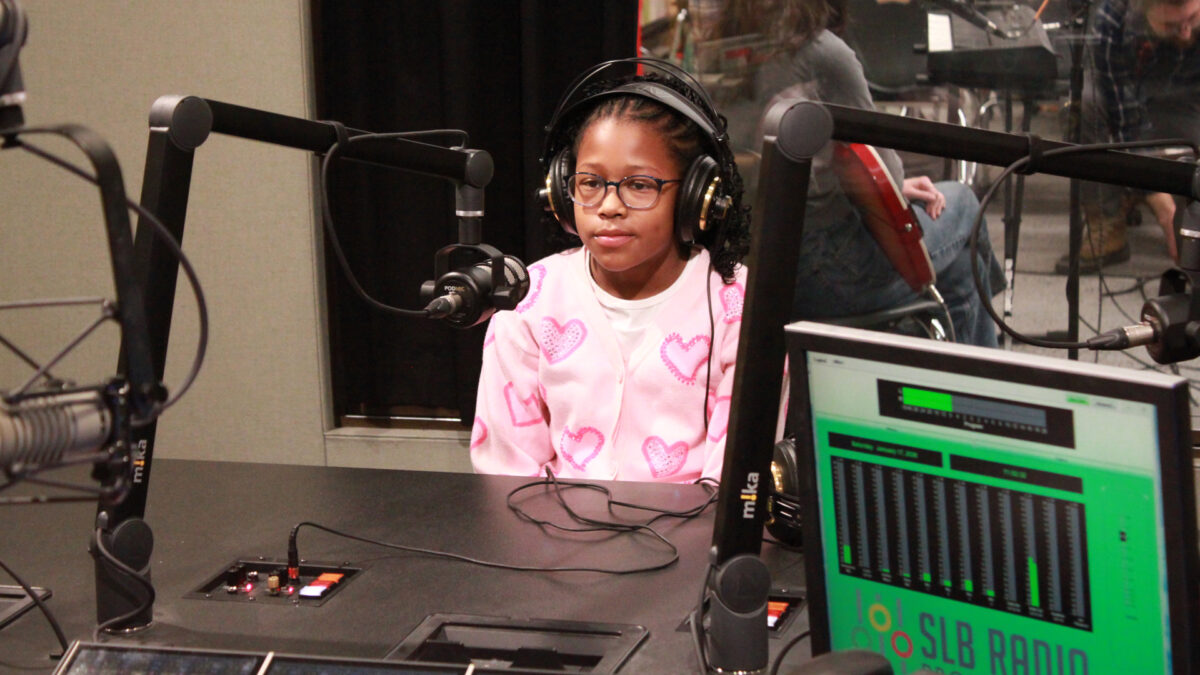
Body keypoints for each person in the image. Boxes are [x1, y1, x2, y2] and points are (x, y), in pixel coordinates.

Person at [470, 61, 752, 482]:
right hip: (550, 524)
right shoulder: (527, 298)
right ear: (561, 191)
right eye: (590, 183)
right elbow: (505, 472)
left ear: (697, 197)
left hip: (695, 524)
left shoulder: (738, 306)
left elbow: (737, 482)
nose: (609, 206)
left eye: (640, 185)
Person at [696, 0, 1005, 347]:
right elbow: (886, 173)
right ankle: (994, 347)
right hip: (826, 272)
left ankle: (983, 361)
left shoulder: (723, 50)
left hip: (748, 262)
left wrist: (896, 185)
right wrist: (896, 184)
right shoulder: (823, 54)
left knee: (962, 270)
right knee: (964, 201)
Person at [1057, 0, 1200, 273]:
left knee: (1190, 229)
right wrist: (1159, 201)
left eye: (1192, 18)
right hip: (1129, 92)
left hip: (1187, 99)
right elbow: (1125, 116)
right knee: (1084, 106)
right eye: (1171, 25)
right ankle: (1107, 222)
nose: (1185, 33)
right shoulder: (1114, 16)